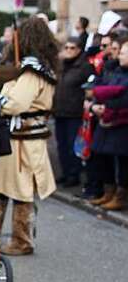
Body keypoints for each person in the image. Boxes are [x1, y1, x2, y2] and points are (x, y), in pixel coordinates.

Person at [0, 18, 59, 255]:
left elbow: (16, 103)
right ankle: (2, 240)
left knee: (15, 190)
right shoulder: (41, 67)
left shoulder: (32, 71)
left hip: (22, 141)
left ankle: (20, 241)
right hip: (26, 138)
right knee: (11, 189)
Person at [87, 40, 128, 210]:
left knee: (122, 162)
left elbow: (123, 97)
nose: (120, 55)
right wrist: (96, 105)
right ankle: (108, 191)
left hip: (120, 122)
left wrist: (107, 108)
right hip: (106, 119)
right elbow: (101, 87)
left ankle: (120, 196)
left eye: (124, 52)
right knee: (101, 156)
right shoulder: (114, 69)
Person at [52, 37, 92, 187]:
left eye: (72, 48)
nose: (68, 51)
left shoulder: (83, 67)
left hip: (74, 112)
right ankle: (65, 172)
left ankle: (73, 174)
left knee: (72, 145)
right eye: (66, 47)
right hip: (60, 111)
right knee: (61, 145)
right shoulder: (61, 66)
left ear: (79, 50)